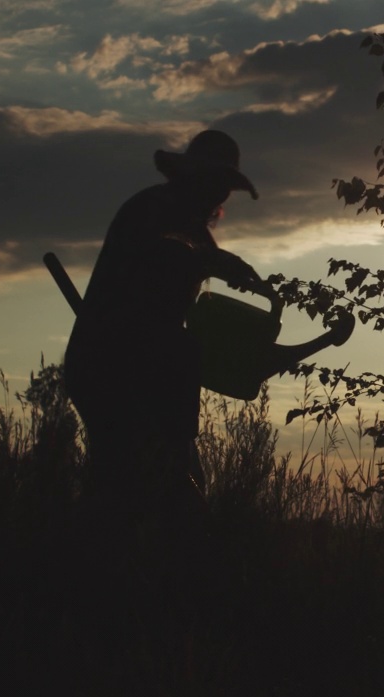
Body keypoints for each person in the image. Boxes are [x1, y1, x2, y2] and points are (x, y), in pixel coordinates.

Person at [64, 129, 263, 533]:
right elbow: (167, 263)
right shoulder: (154, 210)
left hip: (147, 370)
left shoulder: (189, 226)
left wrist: (221, 263)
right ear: (190, 176)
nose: (218, 194)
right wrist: (214, 263)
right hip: (112, 366)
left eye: (224, 185)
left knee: (148, 483)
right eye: (213, 182)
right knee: (130, 485)